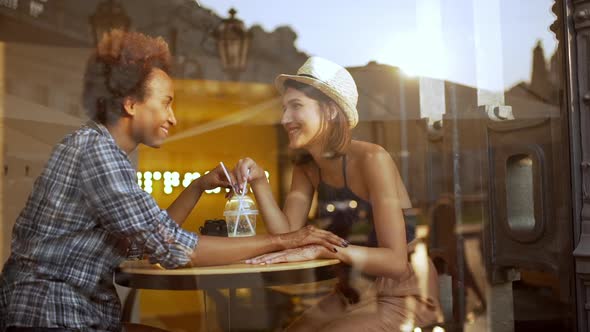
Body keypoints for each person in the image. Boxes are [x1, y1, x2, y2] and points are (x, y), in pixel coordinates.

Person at [0, 31, 346, 332]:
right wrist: (284, 240)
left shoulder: (102, 150)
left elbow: (152, 241)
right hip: (51, 317)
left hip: (80, 316)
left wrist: (197, 186)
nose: (173, 117)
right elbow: (176, 249)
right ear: (131, 103)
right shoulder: (96, 152)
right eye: (166, 103)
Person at [233, 56, 441, 331]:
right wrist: (259, 182)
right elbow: (288, 236)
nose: (284, 119)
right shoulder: (307, 168)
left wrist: (324, 249)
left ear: (331, 111)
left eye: (296, 106)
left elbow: (395, 261)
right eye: (284, 108)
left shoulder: (372, 159)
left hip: (404, 294)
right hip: (352, 291)